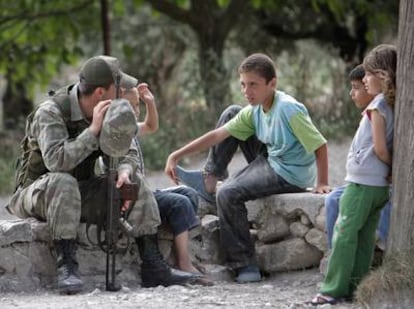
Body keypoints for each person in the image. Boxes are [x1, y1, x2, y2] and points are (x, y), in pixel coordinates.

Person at [5, 55, 198, 294]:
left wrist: (125, 171)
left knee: (134, 180)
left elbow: (126, 153)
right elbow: (56, 161)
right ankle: (67, 264)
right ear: (100, 92)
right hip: (37, 192)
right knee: (63, 181)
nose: (122, 92)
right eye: (118, 88)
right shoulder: (51, 112)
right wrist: (93, 130)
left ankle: (152, 263)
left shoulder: (108, 110)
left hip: (79, 190)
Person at [164, 53, 330, 283]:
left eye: (253, 84)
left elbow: (320, 145)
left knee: (229, 193)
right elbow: (217, 135)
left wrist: (322, 182)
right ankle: (209, 179)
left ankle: (245, 264)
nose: (247, 91)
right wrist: (177, 154)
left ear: (272, 83)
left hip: (290, 173)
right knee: (232, 112)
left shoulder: (290, 109)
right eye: (243, 84)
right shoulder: (255, 109)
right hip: (271, 157)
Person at [309, 44, 396, 306]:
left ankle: (332, 289)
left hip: (362, 184)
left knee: (344, 233)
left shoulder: (377, 107)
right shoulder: (391, 104)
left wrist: (392, 167)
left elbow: (380, 148)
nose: (364, 79)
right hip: (376, 186)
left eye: (368, 75)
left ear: (382, 75)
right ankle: (356, 287)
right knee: (365, 238)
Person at [122, 86, 213, 285]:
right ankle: (183, 263)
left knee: (189, 194)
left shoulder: (129, 127)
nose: (136, 111)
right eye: (131, 106)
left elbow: (151, 126)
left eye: (137, 105)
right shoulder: (115, 131)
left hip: (145, 193)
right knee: (179, 203)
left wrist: (150, 103)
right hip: (134, 199)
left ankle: (175, 256)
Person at [325, 65, 392, 251]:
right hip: (360, 181)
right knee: (332, 199)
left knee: (388, 203)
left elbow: (381, 150)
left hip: (378, 181)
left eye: (356, 87)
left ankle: (390, 253)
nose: (351, 93)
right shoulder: (369, 114)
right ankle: (333, 254)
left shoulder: (382, 110)